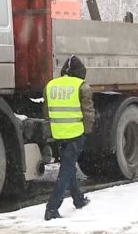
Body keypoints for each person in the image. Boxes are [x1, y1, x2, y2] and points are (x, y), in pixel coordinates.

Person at [44, 55, 96, 220]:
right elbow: (88, 113)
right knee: (66, 170)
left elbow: (46, 112)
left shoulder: (51, 85)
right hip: (74, 133)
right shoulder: (82, 86)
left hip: (59, 133)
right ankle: (52, 208)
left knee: (69, 167)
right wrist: (86, 131)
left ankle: (78, 200)